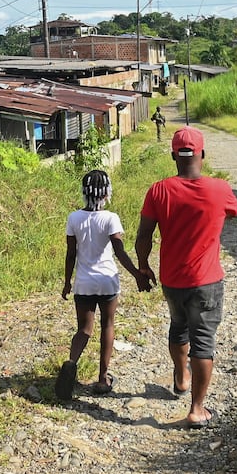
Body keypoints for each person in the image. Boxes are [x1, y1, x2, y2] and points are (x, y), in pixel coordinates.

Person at [136, 127, 237, 428]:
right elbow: (233, 211)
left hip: (172, 279)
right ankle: (197, 409)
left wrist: (143, 267)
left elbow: (144, 235)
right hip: (207, 281)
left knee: (178, 327)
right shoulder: (220, 189)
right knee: (203, 341)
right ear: (202, 155)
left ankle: (181, 377)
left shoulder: (158, 190)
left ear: (173, 156)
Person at [56, 170, 153, 401]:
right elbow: (119, 251)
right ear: (107, 192)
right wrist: (137, 275)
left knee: (84, 329)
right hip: (107, 281)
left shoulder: (74, 218)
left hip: (84, 282)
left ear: (84, 192)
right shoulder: (111, 218)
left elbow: (71, 255)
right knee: (107, 325)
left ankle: (71, 363)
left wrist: (67, 283)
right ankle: (102, 378)